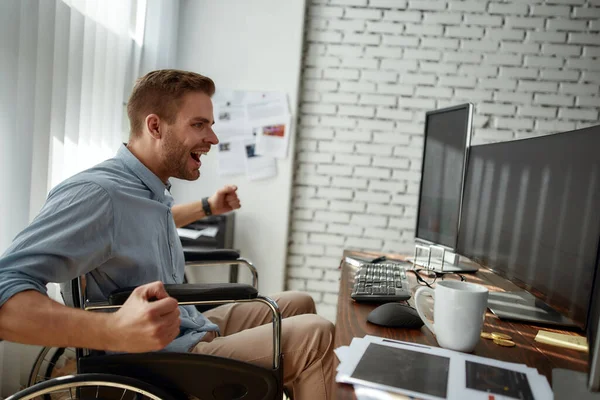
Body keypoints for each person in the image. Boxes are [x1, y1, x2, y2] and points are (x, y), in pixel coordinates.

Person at [0, 69, 334, 399]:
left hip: (186, 324)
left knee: (298, 303)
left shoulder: (143, 188)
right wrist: (114, 331)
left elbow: (141, 227)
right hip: (154, 356)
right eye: (199, 124)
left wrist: (208, 207)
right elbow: (5, 288)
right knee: (314, 335)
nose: (213, 139)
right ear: (155, 126)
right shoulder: (98, 194)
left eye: (211, 125)